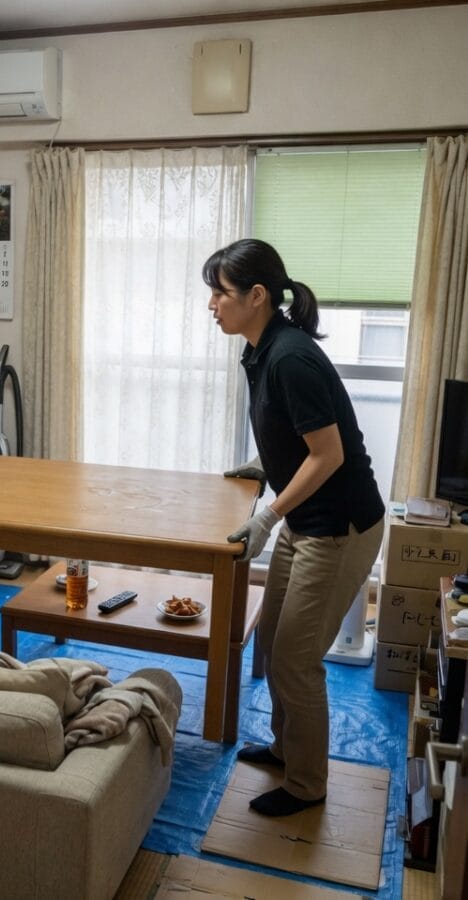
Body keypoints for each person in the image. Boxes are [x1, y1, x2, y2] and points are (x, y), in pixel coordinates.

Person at [204, 238, 384, 817]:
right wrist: (267, 467)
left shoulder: (290, 357)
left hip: (339, 527)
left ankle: (308, 786)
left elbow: (328, 454)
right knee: (276, 634)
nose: (212, 304)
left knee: (294, 660)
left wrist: (267, 515)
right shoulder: (259, 349)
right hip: (307, 519)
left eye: (221, 292)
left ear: (257, 296)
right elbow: (295, 436)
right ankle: (287, 750)